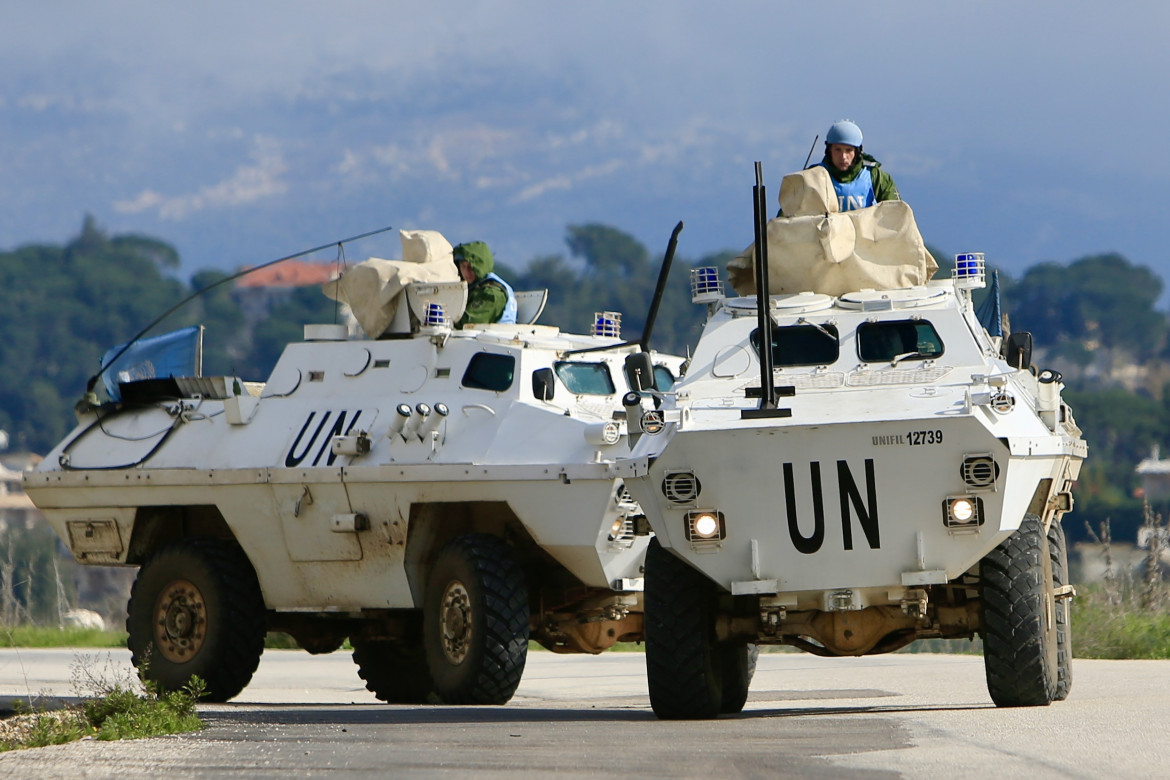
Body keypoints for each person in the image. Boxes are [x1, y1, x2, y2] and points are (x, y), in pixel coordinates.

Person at [816, 120, 899, 212]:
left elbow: (895, 215)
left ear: (857, 152)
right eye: (838, 150)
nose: (843, 157)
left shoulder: (876, 177)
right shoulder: (815, 176)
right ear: (829, 150)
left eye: (848, 150)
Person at [452, 241, 517, 328]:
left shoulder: (492, 293)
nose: (466, 272)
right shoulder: (476, 287)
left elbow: (469, 322)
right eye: (463, 266)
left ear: (480, 266)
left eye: (471, 266)